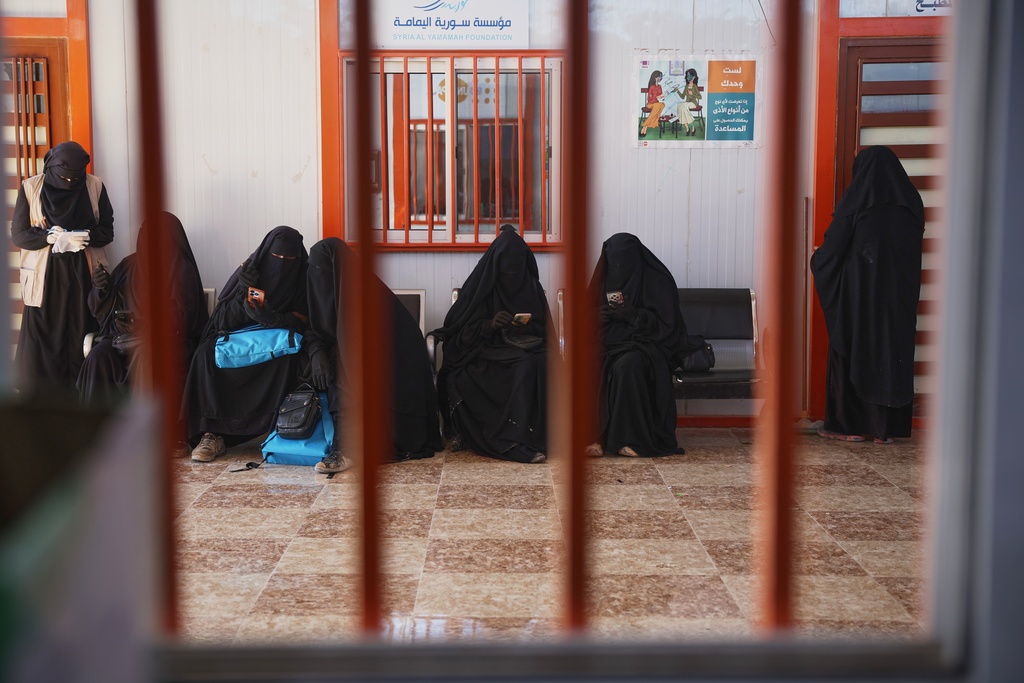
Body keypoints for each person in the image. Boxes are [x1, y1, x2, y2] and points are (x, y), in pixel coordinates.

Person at [810, 145, 924, 444]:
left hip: (859, 300)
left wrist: (818, 258)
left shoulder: (859, 200)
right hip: (900, 299)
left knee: (854, 348)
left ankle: (851, 427)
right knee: (892, 353)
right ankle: (886, 428)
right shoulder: (911, 202)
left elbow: (834, 248)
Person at [304, 237, 443, 473]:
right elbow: (316, 329)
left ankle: (345, 448)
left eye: (324, 269)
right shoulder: (323, 293)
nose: (319, 275)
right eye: (315, 269)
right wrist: (317, 352)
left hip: (394, 365)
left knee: (343, 360)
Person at [183, 226, 310, 461]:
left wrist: (272, 318)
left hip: (279, 344)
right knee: (205, 355)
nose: (282, 264)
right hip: (241, 337)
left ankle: (282, 428)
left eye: (290, 259)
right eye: (277, 258)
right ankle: (212, 433)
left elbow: (305, 321)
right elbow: (220, 322)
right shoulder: (252, 272)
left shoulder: (303, 279)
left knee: (292, 357)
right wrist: (245, 294)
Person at [430, 225, 549, 464]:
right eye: (507, 270)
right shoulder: (481, 288)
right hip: (485, 352)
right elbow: (458, 332)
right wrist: (489, 325)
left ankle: (537, 438)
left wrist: (523, 326)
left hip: (525, 347)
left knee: (543, 362)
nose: (512, 276)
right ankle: (511, 440)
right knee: (522, 365)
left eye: (517, 269)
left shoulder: (531, 287)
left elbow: (544, 329)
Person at [10, 141, 114, 393]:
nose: (69, 182)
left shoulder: (94, 186)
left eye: (75, 177)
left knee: (82, 331)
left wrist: (85, 236)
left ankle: (81, 397)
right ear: (51, 167)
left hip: (84, 274)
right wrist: (48, 237)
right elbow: (19, 235)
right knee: (43, 336)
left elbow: (108, 231)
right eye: (63, 177)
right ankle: (40, 399)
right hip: (46, 278)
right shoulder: (31, 188)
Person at [76, 211, 208, 405]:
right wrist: (101, 288)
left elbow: (182, 317)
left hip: (167, 343)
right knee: (99, 354)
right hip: (124, 339)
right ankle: (95, 427)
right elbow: (103, 310)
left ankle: (144, 428)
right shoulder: (129, 265)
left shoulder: (180, 269)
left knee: (146, 354)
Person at [587, 233, 688, 458]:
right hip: (607, 343)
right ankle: (595, 438)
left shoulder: (657, 280)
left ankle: (629, 439)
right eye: (614, 265)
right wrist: (597, 316)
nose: (619, 269)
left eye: (624, 265)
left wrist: (635, 315)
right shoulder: (602, 279)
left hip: (645, 344)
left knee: (627, 366)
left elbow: (667, 326)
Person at [671, 68, 702, 137]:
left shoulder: (694, 86)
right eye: (687, 76)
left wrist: (692, 94)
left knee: (684, 107)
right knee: (679, 105)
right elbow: (682, 97)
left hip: (693, 103)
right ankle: (687, 128)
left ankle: (693, 127)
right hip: (687, 103)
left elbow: (700, 97)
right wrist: (677, 90)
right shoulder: (686, 86)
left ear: (694, 77)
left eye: (690, 76)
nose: (688, 77)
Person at [640, 70, 666, 138]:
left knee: (662, 104)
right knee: (659, 105)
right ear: (655, 77)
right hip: (650, 104)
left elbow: (661, 96)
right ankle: (646, 126)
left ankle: (645, 126)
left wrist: (662, 97)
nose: (660, 78)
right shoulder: (651, 86)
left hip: (657, 104)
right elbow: (649, 98)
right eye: (659, 76)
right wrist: (656, 97)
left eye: (660, 77)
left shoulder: (660, 86)